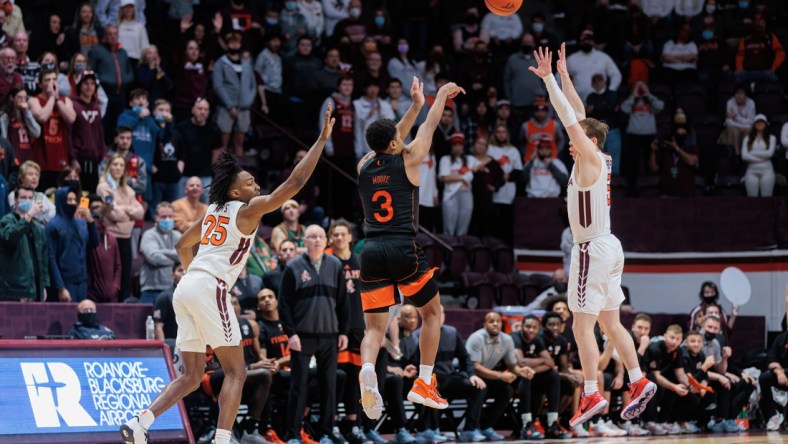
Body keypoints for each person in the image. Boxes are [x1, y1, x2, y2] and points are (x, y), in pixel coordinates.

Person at [120, 106, 335, 444]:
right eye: (251, 182)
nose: (257, 184)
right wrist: (321, 140)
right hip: (208, 287)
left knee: (191, 375)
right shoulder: (247, 211)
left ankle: (139, 422)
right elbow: (294, 182)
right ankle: (222, 441)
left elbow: (181, 244)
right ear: (237, 192)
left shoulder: (214, 212)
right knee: (237, 370)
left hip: (186, 288)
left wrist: (194, 276)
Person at [529, 44, 656, 427]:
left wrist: (549, 78)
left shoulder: (586, 155)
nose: (572, 141)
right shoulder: (598, 157)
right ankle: (638, 380)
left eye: (579, 138)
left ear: (592, 142)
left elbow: (570, 118)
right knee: (610, 323)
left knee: (581, 326)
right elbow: (581, 115)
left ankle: (590, 393)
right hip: (609, 245)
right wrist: (567, 76)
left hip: (590, 250)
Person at [356, 77, 465, 420]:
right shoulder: (411, 159)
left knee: (373, 329)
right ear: (394, 143)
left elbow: (389, 138)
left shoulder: (363, 165)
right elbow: (430, 126)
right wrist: (439, 98)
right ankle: (423, 380)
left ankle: (367, 369)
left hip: (370, 250)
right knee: (432, 314)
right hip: (403, 247)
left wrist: (414, 106)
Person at [278, 224, 349, 444]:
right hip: (303, 336)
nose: (316, 240)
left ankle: (327, 432)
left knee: (329, 385)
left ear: (325, 241)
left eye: (320, 237)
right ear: (304, 242)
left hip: (329, 335)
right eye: (312, 237)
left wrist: (344, 331)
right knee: (298, 385)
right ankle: (293, 433)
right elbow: (284, 305)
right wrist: (291, 333)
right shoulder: (293, 267)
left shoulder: (336, 265)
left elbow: (344, 302)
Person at [465, 312, 535, 440]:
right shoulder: (477, 338)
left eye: (498, 321)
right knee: (481, 387)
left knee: (507, 390)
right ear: (484, 324)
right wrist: (500, 375)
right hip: (469, 376)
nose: (495, 324)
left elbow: (512, 366)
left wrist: (521, 371)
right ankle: (469, 429)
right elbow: (476, 367)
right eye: (491, 321)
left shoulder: (506, 340)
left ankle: (486, 426)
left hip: (488, 377)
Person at [96, 154, 144, 302]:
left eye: (121, 165)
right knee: (110, 273)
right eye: (115, 164)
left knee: (125, 273)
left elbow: (141, 213)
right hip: (110, 236)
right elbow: (114, 214)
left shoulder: (128, 190)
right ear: (109, 167)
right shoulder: (103, 187)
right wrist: (129, 212)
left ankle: (124, 303)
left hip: (126, 236)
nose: (118, 168)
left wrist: (122, 209)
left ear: (125, 170)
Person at [46, 185, 99, 302]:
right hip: (65, 282)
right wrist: (60, 287)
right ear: (61, 201)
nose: (73, 203)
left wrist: (90, 221)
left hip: (82, 281)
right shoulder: (52, 225)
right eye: (69, 200)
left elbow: (94, 243)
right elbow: (51, 258)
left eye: (75, 200)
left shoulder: (81, 223)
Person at [30, 69, 77, 190]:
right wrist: (52, 97)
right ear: (40, 84)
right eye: (47, 80)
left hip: (60, 157)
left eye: (54, 79)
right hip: (41, 157)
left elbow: (71, 118)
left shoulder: (65, 100)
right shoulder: (34, 100)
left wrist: (56, 99)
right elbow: (42, 117)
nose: (52, 83)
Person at [0, 185, 49, 301]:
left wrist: (44, 286)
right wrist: (28, 216)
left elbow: (43, 260)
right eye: (23, 197)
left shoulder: (38, 227)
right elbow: (9, 238)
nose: (27, 201)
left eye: (30, 198)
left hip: (35, 289)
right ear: (16, 201)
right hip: (13, 290)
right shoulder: (7, 220)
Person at [139, 202, 181, 303]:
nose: (167, 219)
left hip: (174, 288)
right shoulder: (148, 235)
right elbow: (154, 258)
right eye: (163, 216)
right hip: (152, 289)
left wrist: (161, 251)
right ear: (156, 218)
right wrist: (175, 260)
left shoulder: (178, 235)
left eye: (170, 216)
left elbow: (184, 255)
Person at [86, 194, 121, 302]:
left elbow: (118, 266)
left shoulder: (111, 238)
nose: (98, 212)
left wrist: (115, 287)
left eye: (101, 208)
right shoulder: (85, 236)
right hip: (90, 296)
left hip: (111, 296)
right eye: (94, 208)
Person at [759, 329, 788, 431]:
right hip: (783, 375)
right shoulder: (781, 338)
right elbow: (771, 362)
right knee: (764, 378)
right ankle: (773, 415)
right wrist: (779, 371)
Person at [741, 113, 776, 197]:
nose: (760, 124)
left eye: (762, 122)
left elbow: (769, 153)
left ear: (766, 124)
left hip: (767, 172)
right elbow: (744, 156)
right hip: (751, 172)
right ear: (754, 124)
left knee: (767, 199)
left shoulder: (772, 138)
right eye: (757, 122)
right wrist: (763, 159)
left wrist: (752, 153)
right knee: (752, 200)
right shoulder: (747, 138)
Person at [153, 263, 185, 341]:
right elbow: (158, 326)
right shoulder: (164, 297)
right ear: (173, 275)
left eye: (187, 270)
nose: (184, 273)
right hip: (172, 344)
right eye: (180, 270)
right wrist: (164, 350)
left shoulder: (195, 296)